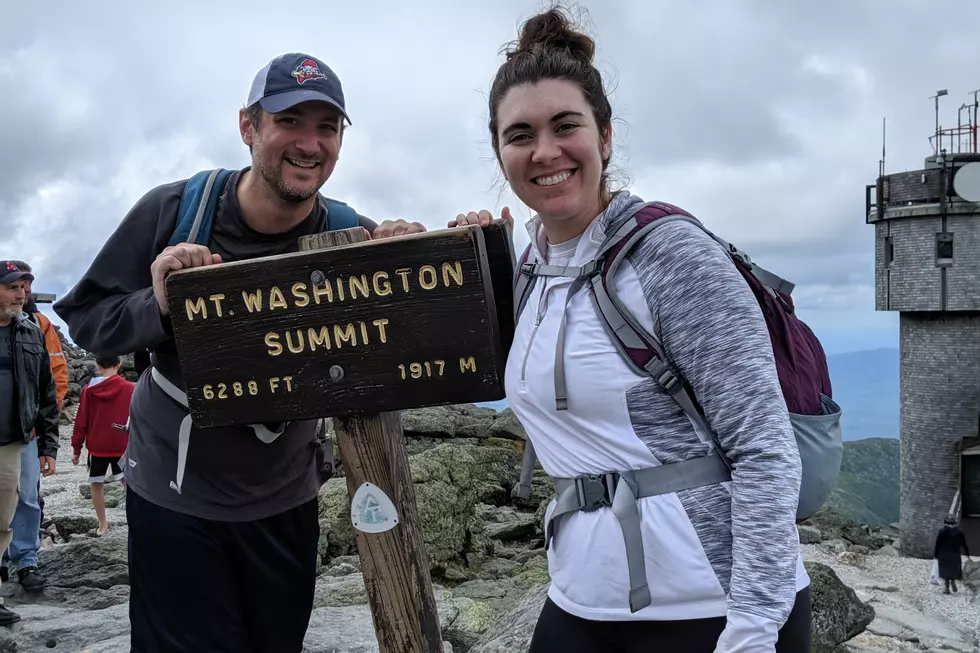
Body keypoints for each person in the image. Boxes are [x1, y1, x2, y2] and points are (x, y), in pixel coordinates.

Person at [452, 7, 811, 652]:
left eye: (567, 127)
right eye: (520, 134)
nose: (545, 152)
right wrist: (419, 245)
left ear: (606, 137)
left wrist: (755, 628)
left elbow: (764, 448)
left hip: (711, 608)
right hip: (580, 599)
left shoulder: (670, 255)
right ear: (500, 152)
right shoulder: (529, 267)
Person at [53, 52, 430, 652]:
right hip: (175, 498)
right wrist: (160, 305)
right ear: (248, 126)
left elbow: (407, 334)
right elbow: (86, 320)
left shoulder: (346, 230)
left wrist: (409, 258)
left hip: (286, 500)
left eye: (326, 127)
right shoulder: (176, 213)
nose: (309, 143)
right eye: (289, 120)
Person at [1, 260, 67, 591]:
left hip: (24, 434)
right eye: (14, 286)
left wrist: (48, 444)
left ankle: (26, 560)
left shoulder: (36, 327)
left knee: (27, 497)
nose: (23, 292)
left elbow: (49, 386)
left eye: (25, 286)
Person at [71, 355, 134, 537]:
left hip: (98, 445)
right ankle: (135, 523)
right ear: (119, 364)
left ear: (97, 365)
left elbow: (81, 421)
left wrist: (76, 449)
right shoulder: (130, 388)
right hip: (121, 443)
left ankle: (102, 526)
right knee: (129, 485)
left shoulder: (88, 390)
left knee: (96, 484)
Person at [934, 515, 971, 594]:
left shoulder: (942, 531)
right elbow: (964, 543)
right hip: (955, 553)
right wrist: (967, 553)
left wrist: (935, 554)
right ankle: (953, 581)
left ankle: (947, 588)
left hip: (944, 554)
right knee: (953, 569)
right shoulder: (959, 532)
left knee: (945, 570)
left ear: (945, 523)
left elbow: (938, 544)